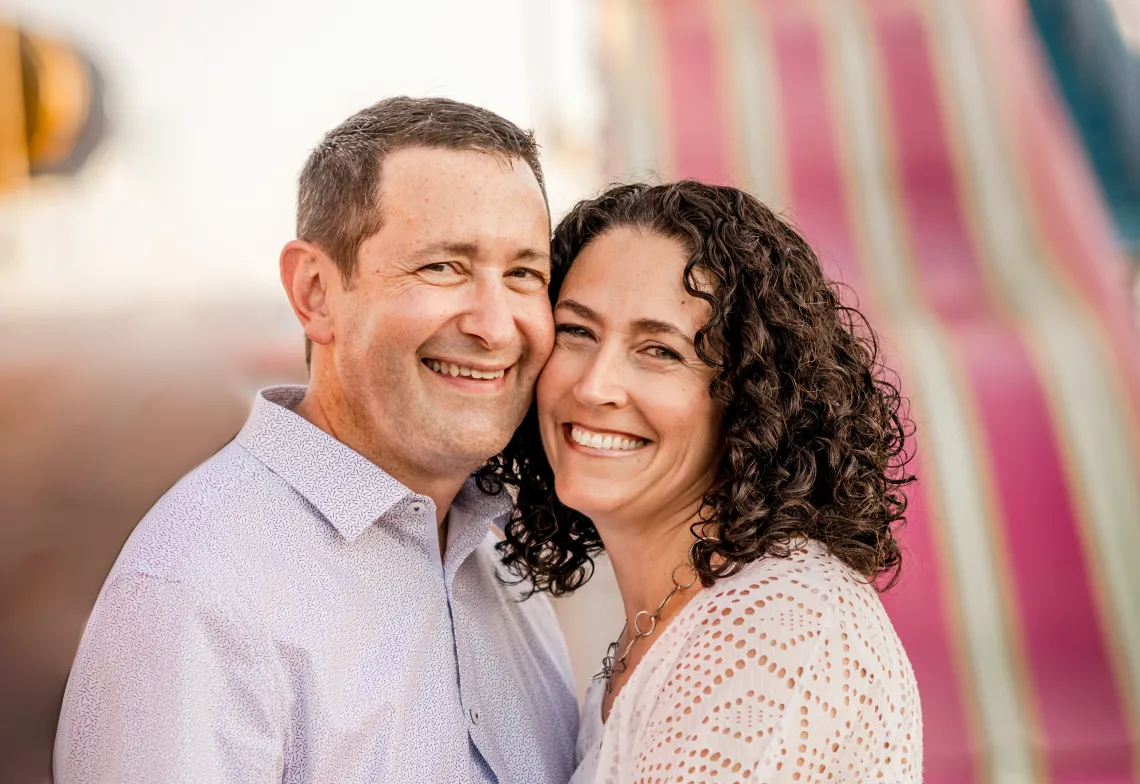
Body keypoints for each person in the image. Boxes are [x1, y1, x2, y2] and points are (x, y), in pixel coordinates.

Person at [54, 97, 579, 784]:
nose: (494, 324)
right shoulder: (196, 589)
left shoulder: (500, 565)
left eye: (523, 274)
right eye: (442, 266)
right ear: (315, 293)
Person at [487, 181, 923, 783]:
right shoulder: (669, 627)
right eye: (577, 332)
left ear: (751, 397)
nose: (593, 387)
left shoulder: (780, 634)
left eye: (660, 351)